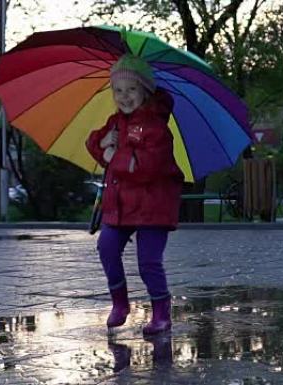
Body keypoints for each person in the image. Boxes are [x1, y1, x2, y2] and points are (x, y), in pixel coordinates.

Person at [85, 54, 184, 335]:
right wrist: (101, 143)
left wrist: (112, 155)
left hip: (153, 206)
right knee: (106, 247)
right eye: (118, 90)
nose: (124, 96)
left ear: (145, 91)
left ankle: (161, 312)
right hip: (120, 204)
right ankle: (119, 302)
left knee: (148, 262)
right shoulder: (115, 122)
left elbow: (145, 168)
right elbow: (95, 143)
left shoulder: (156, 128)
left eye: (131, 89)